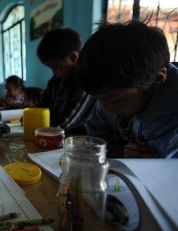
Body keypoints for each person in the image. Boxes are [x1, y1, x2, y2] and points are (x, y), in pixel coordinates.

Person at [76, 20, 178, 158]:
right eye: (99, 99)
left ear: (157, 80)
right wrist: (118, 150)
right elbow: (94, 137)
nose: (105, 108)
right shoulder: (109, 95)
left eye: (114, 100)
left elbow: (164, 166)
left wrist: (150, 162)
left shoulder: (171, 117)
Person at [36, 28, 95, 134]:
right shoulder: (55, 81)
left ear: (73, 57)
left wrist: (39, 127)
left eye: (56, 67)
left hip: (77, 141)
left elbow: (67, 122)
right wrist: (33, 118)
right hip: (52, 135)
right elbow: (42, 108)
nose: (54, 73)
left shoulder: (86, 83)